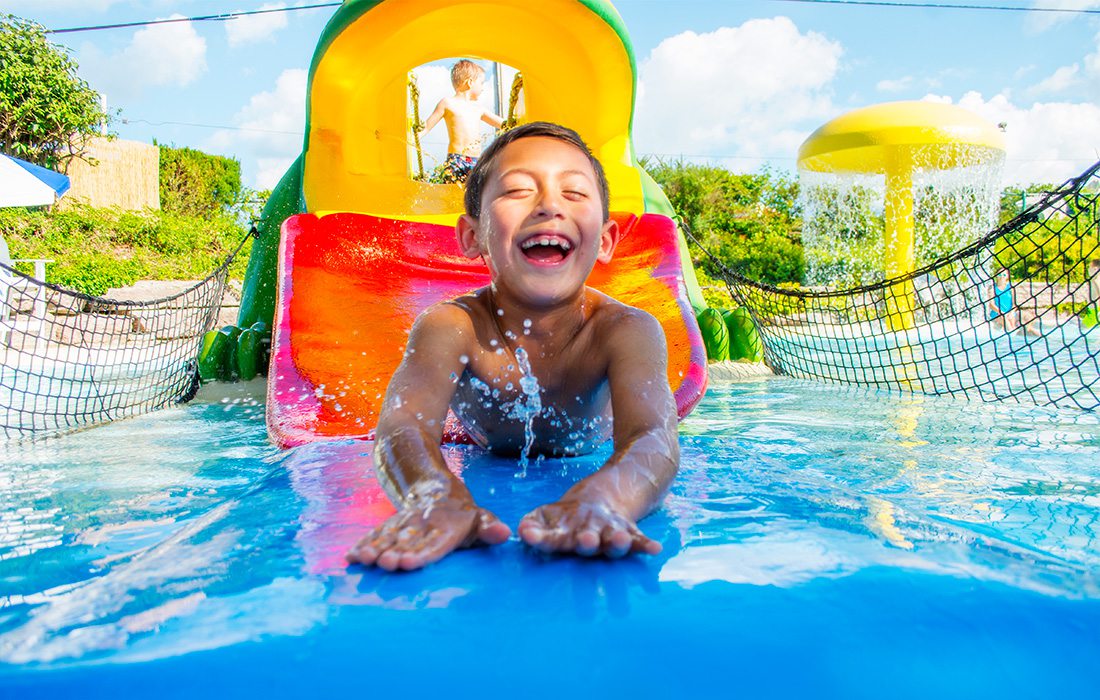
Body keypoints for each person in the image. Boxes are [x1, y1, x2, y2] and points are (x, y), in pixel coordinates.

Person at [346, 122, 680, 571]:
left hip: (591, 454)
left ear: (604, 241)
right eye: (518, 190)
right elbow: (402, 427)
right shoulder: (451, 325)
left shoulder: (625, 329)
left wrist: (605, 496)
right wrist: (433, 494)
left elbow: (652, 437)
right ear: (472, 237)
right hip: (483, 452)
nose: (549, 206)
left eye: (575, 194)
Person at [418, 60, 504, 184]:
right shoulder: (447, 103)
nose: (483, 87)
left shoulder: (479, 108)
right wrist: (412, 137)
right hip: (455, 161)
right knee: (452, 195)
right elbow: (426, 127)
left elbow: (503, 124)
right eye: (481, 83)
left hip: (476, 161)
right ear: (470, 83)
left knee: (475, 197)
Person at [988, 266, 1041, 337]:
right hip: (997, 314)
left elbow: (1014, 304)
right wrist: (1002, 312)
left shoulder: (1010, 287)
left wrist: (1011, 312)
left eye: (1004, 275)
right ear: (996, 276)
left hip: (1010, 312)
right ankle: (1013, 334)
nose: (1001, 277)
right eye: (999, 275)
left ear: (1007, 276)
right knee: (1005, 319)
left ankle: (1040, 336)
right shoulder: (992, 288)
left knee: (1026, 317)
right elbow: (991, 305)